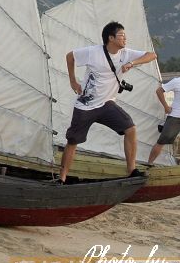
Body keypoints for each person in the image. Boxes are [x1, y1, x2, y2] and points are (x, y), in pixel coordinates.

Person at [59, 21, 157, 184]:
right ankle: (62, 178)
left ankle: (131, 170)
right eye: (121, 35)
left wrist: (132, 63)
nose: (125, 38)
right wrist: (73, 81)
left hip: (107, 104)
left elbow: (152, 55)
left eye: (125, 35)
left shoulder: (125, 53)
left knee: (130, 128)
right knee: (73, 140)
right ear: (111, 38)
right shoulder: (93, 52)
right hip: (86, 105)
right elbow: (70, 56)